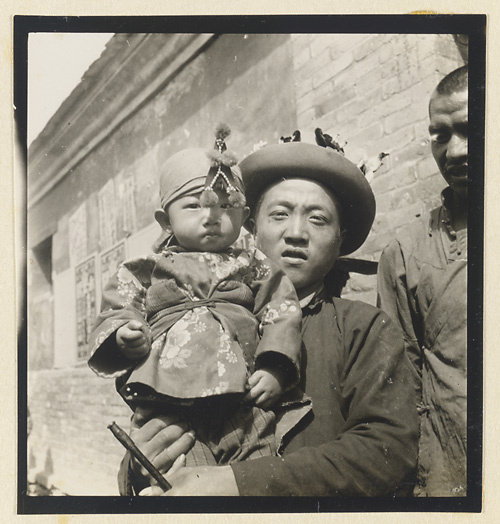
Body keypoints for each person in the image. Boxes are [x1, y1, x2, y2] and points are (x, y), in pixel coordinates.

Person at [118, 132, 419, 497]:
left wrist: (235, 483)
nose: (296, 233)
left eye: (318, 219)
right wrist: (139, 464)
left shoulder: (364, 329)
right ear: (252, 227)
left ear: (340, 238)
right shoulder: (195, 319)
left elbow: (385, 452)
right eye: (279, 214)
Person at [88, 125, 308, 471]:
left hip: (242, 400)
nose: (211, 217)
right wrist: (124, 334)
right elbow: (119, 307)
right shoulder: (147, 267)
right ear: (166, 220)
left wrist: (275, 367)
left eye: (226, 206)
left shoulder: (253, 264)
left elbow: (282, 310)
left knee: (257, 470)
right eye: (194, 206)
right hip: (168, 401)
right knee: (180, 477)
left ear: (245, 217)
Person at [377, 65, 468, 497]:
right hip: (451, 475)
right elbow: (403, 377)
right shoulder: (406, 251)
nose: (454, 153)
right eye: (440, 135)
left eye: (471, 129)